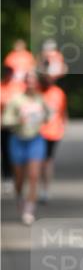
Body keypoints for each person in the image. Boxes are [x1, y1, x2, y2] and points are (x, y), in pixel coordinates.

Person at [2, 70, 51, 225]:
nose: (31, 83)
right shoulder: (16, 100)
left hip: (35, 140)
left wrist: (44, 115)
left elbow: (49, 116)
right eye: (28, 79)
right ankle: (19, 197)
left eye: (33, 80)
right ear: (25, 82)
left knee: (34, 176)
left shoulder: (40, 99)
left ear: (37, 83)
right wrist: (19, 120)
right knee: (19, 179)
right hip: (18, 140)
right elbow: (5, 120)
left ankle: (29, 210)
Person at [38, 70, 68, 202]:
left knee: (48, 161)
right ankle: (35, 187)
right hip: (36, 132)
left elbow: (63, 111)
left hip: (53, 132)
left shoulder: (58, 92)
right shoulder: (36, 92)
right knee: (36, 162)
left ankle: (45, 189)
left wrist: (64, 126)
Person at [0, 68, 23, 193]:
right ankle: (7, 177)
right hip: (3, 126)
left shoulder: (18, 88)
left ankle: (18, 177)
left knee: (16, 153)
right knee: (5, 153)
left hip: (16, 126)